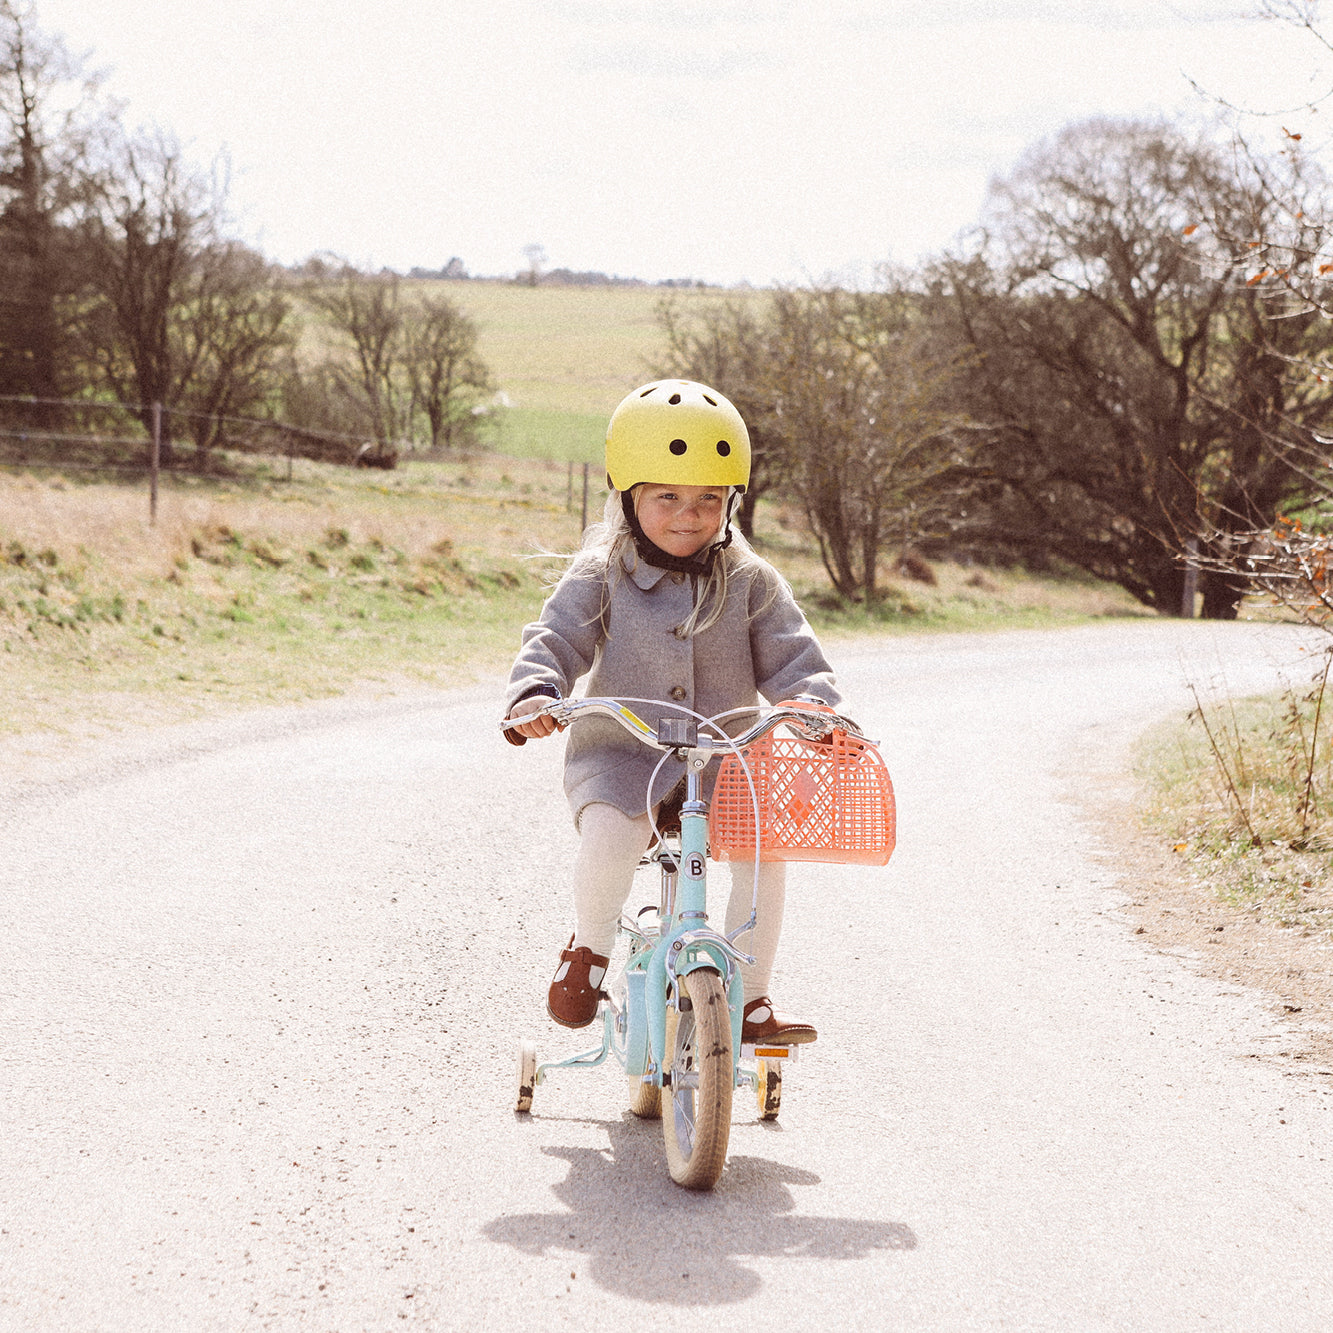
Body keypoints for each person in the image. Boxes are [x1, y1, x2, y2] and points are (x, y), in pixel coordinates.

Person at [503, 379, 845, 1045]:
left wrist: (817, 709)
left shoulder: (749, 580)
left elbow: (796, 657)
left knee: (763, 853)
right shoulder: (601, 570)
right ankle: (591, 947)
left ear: (731, 501)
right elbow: (555, 638)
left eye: (708, 499)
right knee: (611, 835)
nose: (688, 514)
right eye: (667, 496)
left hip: (724, 761)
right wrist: (534, 694)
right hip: (620, 753)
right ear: (628, 497)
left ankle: (749, 996)